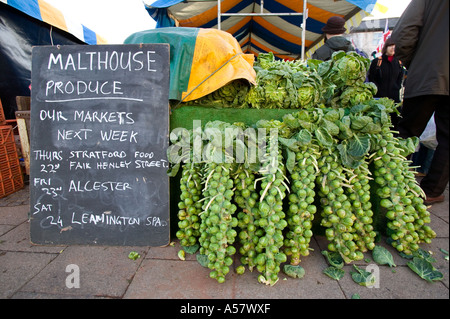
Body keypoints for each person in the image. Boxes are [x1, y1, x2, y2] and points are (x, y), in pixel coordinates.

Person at [391, 0, 449, 205]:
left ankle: (394, 185)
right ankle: (432, 191)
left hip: (429, 71)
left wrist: (411, 63)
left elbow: (404, 33)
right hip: (432, 71)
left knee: (406, 131)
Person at [367, 37, 405, 128]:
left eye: (395, 46)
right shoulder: (377, 62)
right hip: (379, 99)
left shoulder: (399, 63)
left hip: (394, 100)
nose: (393, 48)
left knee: (395, 124)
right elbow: (371, 79)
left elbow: (399, 80)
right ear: (386, 47)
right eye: (390, 46)